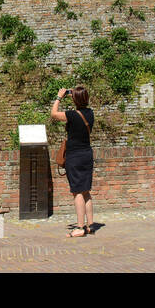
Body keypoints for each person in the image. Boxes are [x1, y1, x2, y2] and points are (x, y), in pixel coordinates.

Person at [51, 85, 94, 237]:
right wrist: (77, 97)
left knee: (77, 192)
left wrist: (59, 97)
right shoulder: (90, 113)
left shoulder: (72, 115)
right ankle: (90, 225)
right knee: (86, 191)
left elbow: (54, 114)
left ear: (75, 99)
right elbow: (81, 108)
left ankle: (80, 228)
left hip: (74, 156)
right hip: (87, 154)